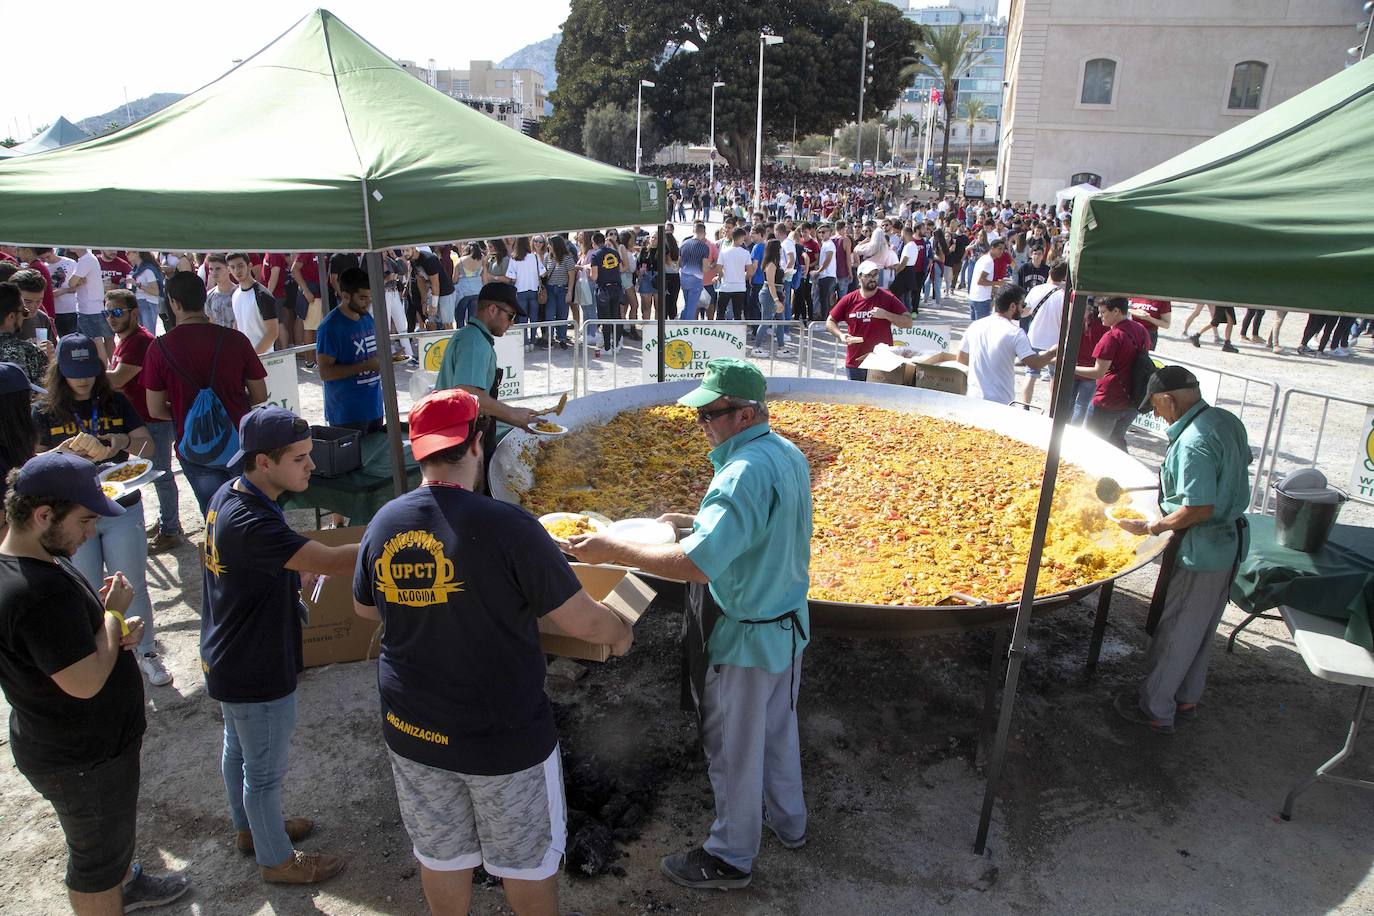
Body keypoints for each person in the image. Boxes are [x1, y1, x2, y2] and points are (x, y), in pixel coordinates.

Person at [353, 388, 632, 916]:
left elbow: (369, 612)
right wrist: (619, 633)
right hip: (502, 740)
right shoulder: (511, 527)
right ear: (477, 443)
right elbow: (582, 621)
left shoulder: (384, 523)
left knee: (440, 853)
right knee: (526, 861)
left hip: (412, 730)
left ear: (418, 450)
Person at [566, 359, 812, 891]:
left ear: (746, 414)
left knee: (733, 750)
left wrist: (612, 548)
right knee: (777, 730)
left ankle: (730, 857)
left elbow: (697, 566)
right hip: (787, 625)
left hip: (744, 637)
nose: (703, 422)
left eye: (712, 413)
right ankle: (790, 824)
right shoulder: (784, 452)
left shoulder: (742, 472)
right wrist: (693, 522)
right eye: (700, 412)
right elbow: (757, 530)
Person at [0, 451, 190, 913]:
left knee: (107, 845)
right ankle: (115, 886)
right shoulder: (37, 591)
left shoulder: (31, 558)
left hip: (79, 747)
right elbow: (84, 683)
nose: (90, 533)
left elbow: (63, 657)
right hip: (82, 758)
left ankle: (127, 881)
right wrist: (111, 615)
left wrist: (107, 634)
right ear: (43, 515)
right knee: (95, 864)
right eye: (85, 521)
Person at [201, 407, 359, 884]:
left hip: (226, 653)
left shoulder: (228, 495)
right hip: (256, 663)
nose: (311, 466)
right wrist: (393, 532)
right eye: (300, 457)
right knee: (263, 773)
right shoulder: (253, 522)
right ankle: (276, 859)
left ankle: (250, 830)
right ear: (263, 462)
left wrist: (290, 563)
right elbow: (331, 560)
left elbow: (270, 555)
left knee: (238, 750)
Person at [1114, 366, 1251, 734]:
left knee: (1177, 630)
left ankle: (1156, 709)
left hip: (1201, 549)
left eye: (1156, 408)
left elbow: (1199, 508)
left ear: (1168, 399)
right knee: (1203, 627)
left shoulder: (1192, 442)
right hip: (1230, 543)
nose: (1157, 415)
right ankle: (1187, 697)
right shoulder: (1224, 419)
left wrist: (1154, 526)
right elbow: (1238, 467)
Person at [32, 334, 171, 687]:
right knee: (87, 588)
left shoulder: (115, 402)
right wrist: (61, 453)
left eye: (89, 371)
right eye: (74, 372)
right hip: (70, 516)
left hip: (120, 506)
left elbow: (147, 445)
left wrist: (121, 443)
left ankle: (148, 651)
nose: (82, 379)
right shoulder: (43, 412)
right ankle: (98, 654)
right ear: (59, 372)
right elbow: (29, 466)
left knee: (132, 582)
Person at [142, 272, 268, 516]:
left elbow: (155, 409)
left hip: (194, 449)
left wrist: (185, 413)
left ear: (174, 303)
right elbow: (260, 394)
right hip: (241, 441)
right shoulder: (236, 340)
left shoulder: (158, 349)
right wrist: (233, 403)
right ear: (204, 299)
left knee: (215, 516)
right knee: (254, 513)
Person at [104, 290, 184, 552]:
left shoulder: (139, 341)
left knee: (160, 475)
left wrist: (89, 372)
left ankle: (171, 530)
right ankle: (167, 524)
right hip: (142, 420)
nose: (111, 318)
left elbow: (116, 381)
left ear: (134, 313)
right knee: (153, 474)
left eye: (117, 312)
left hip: (153, 419)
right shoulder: (127, 340)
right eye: (108, 313)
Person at [434, 283, 543, 448]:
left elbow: (479, 400)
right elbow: (468, 395)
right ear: (492, 310)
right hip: (457, 440)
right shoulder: (474, 342)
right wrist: (513, 414)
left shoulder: (473, 336)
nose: (512, 323)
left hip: (458, 433)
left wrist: (517, 418)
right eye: (511, 315)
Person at [958, 284, 1058, 404]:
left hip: (973, 397)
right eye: (1023, 305)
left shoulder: (975, 325)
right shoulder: (1016, 333)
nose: (1023, 309)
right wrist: (1052, 352)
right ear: (1012, 306)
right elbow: (1034, 364)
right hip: (1000, 401)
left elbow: (961, 359)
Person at [1076, 297, 1152, 451]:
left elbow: (1098, 372)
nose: (1099, 316)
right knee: (1116, 442)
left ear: (1116, 311)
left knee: (1094, 446)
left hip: (1109, 400)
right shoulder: (1141, 330)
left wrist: (1069, 367)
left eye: (1103, 312)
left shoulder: (1112, 336)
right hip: (1133, 399)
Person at [314, 267, 383, 433]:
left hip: (374, 407)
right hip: (347, 414)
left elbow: (372, 353)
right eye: (362, 298)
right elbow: (325, 372)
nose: (368, 302)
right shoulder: (329, 327)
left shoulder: (367, 317)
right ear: (345, 296)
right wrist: (365, 366)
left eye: (370, 297)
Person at [825, 259, 913, 381]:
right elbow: (830, 321)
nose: (873, 279)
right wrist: (841, 335)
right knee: (856, 399)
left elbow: (908, 322)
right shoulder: (849, 299)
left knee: (880, 399)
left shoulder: (888, 297)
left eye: (875, 275)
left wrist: (886, 315)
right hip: (855, 363)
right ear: (859, 277)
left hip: (881, 362)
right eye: (868, 275)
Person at [1018, 262, 1068, 406]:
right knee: (1054, 377)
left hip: (1035, 337)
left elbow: (1025, 312)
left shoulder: (1036, 289)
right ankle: (1052, 410)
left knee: (1031, 374)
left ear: (1049, 272)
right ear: (1064, 277)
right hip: (1054, 343)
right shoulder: (1064, 296)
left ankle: (1025, 406)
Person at [227, 253, 279, 355]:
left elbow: (273, 333)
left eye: (240, 266)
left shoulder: (263, 295)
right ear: (229, 270)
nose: (237, 270)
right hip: (244, 358)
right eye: (233, 267)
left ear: (249, 266)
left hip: (263, 359)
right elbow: (238, 324)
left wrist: (252, 357)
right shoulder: (235, 293)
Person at [0, 281, 52, 383]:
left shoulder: (43, 319)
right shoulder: (29, 352)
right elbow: (46, 388)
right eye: (24, 311)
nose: (24, 317)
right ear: (11, 316)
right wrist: (51, 360)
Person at [587, 233, 625, 352]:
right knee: (616, 317)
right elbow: (620, 269)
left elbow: (594, 276)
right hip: (616, 288)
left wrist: (588, 270)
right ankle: (617, 344)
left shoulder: (595, 255)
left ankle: (607, 347)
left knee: (605, 319)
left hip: (603, 289)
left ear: (593, 243)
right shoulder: (614, 252)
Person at [679, 223, 713, 322]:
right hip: (696, 279)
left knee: (687, 304)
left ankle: (681, 322)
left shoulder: (684, 244)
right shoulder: (704, 247)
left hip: (684, 277)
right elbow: (705, 268)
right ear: (704, 233)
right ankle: (686, 327)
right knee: (692, 306)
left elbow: (679, 263)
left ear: (694, 231)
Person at [967, 238, 1005, 321]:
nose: (1001, 251)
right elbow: (981, 281)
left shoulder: (984, 258)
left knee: (976, 328)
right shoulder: (989, 261)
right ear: (992, 248)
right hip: (981, 300)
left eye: (1003, 249)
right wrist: (997, 283)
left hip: (974, 298)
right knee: (981, 330)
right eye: (999, 248)